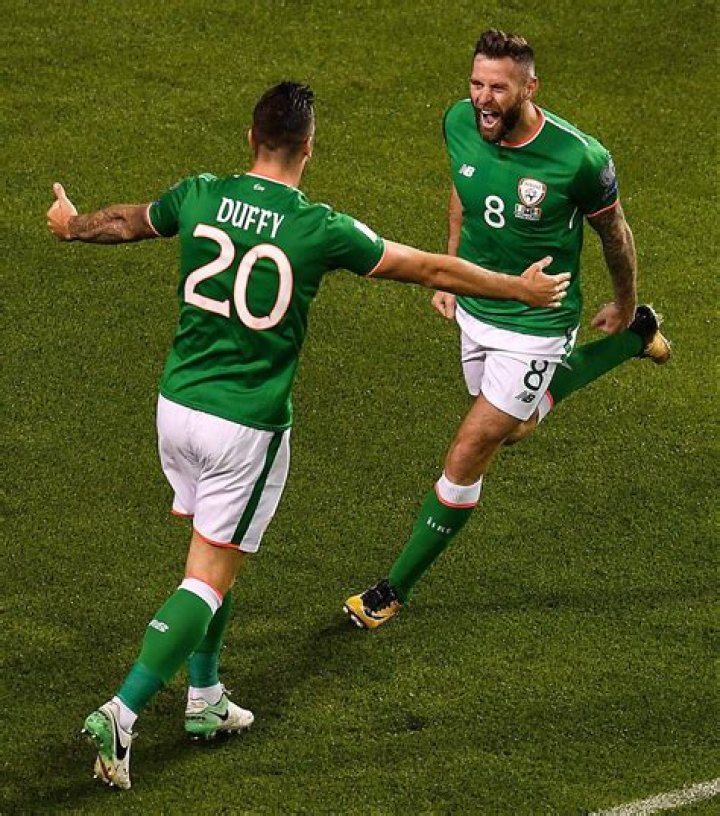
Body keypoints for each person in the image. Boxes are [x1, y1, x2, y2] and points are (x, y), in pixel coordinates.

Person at [46, 81, 569, 789]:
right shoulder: (318, 227)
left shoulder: (199, 194)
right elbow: (429, 267)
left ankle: (205, 697)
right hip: (246, 425)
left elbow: (128, 221)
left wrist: (71, 223)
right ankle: (123, 710)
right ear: (309, 148)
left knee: (214, 552)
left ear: (250, 138)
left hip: (176, 407)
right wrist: (519, 289)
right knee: (207, 577)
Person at [344, 30, 670, 629]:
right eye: (476, 84)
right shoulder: (459, 122)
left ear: (529, 87)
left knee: (469, 451)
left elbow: (615, 234)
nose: (483, 99)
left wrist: (624, 301)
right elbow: (463, 191)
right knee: (513, 430)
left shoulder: (580, 159)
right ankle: (634, 341)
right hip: (477, 306)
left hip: (537, 323)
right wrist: (449, 273)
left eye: (497, 87)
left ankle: (391, 591)